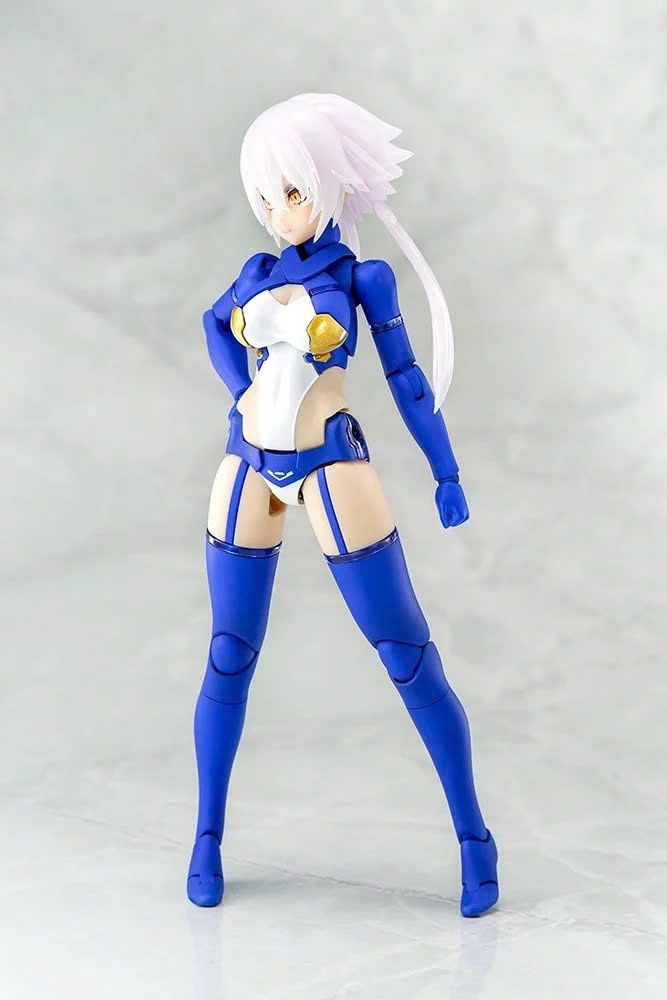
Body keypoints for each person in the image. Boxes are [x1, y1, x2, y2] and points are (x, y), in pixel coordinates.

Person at [187, 93, 499, 917]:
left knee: (405, 654)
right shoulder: (255, 275)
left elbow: (406, 379)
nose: (278, 212)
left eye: (292, 191)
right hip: (247, 463)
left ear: (327, 185)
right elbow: (213, 325)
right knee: (228, 654)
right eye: (265, 197)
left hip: (330, 462)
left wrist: (444, 469)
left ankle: (473, 838)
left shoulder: (362, 278)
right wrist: (242, 392)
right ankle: (206, 836)